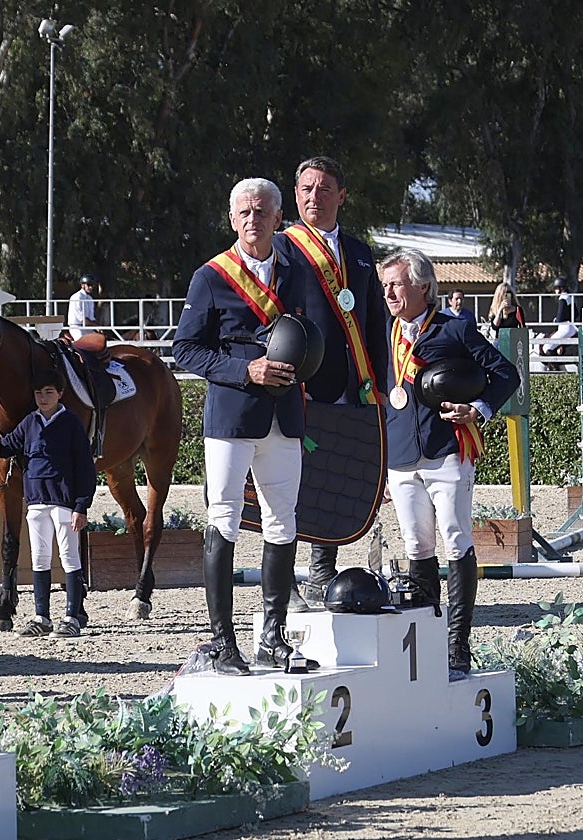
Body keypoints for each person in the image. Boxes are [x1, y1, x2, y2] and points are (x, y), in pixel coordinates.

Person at [173, 178, 308, 676]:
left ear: (277, 218)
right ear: (232, 220)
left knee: (283, 520)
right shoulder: (210, 277)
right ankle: (223, 642)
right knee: (224, 519)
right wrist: (243, 370)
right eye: (244, 212)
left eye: (262, 211)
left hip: (285, 414)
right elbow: (185, 349)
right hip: (232, 414)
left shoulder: (296, 273)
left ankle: (272, 638)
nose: (253, 219)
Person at [380, 250, 518, 674]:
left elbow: (507, 375)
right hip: (401, 456)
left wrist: (477, 409)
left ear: (422, 286)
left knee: (455, 539)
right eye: (384, 285)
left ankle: (459, 644)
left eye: (397, 284)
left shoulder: (454, 329)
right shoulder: (379, 333)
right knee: (416, 546)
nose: (388, 292)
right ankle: (426, 640)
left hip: (447, 453)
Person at [273, 156, 389, 608]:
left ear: (342, 195)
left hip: (352, 383)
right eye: (305, 189)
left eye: (323, 189)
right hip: (302, 382)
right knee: (294, 480)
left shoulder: (359, 251)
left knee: (336, 475)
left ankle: (322, 568)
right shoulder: (282, 247)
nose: (312, 197)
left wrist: (378, 378)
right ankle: (286, 579)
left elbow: (375, 319)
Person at [0, 368, 95, 639]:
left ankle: (71, 617)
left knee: (69, 557)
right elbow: (5, 448)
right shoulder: (29, 422)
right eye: (38, 393)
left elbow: (85, 468)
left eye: (48, 393)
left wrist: (81, 506)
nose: (43, 398)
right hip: (36, 502)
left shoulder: (71, 423)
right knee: (39, 559)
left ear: (60, 394)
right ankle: (41, 616)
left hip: (64, 501)